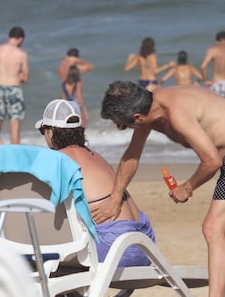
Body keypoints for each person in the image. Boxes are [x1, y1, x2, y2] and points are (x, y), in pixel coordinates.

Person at [93, 81, 225, 297]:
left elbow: (212, 161)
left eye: (122, 124)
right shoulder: (149, 105)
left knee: (213, 228)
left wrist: (187, 187)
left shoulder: (176, 112)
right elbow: (132, 155)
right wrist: (115, 197)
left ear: (138, 117)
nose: (122, 127)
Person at [36, 99, 156, 266]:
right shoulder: (95, 156)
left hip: (115, 248)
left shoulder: (57, 160)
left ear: (51, 131)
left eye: (43, 131)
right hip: (145, 243)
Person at [0, 26, 29, 144]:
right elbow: (25, 77)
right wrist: (21, 77)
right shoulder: (21, 54)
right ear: (20, 39)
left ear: (9, 37)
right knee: (14, 123)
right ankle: (15, 154)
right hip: (13, 88)